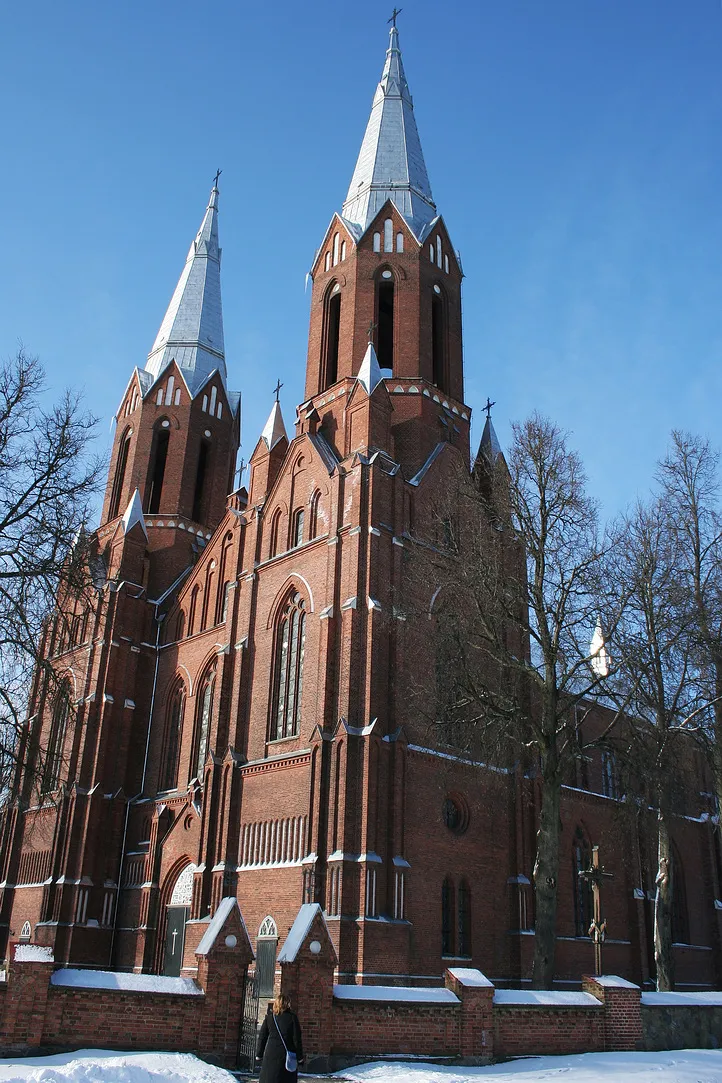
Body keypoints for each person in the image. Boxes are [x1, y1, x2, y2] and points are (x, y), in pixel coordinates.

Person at [256, 991, 304, 1082]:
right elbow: (297, 1039)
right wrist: (300, 1057)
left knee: (270, 1078)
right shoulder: (292, 1018)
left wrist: (259, 1054)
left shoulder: (269, 1018)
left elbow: (262, 1037)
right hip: (286, 1054)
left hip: (271, 1053)